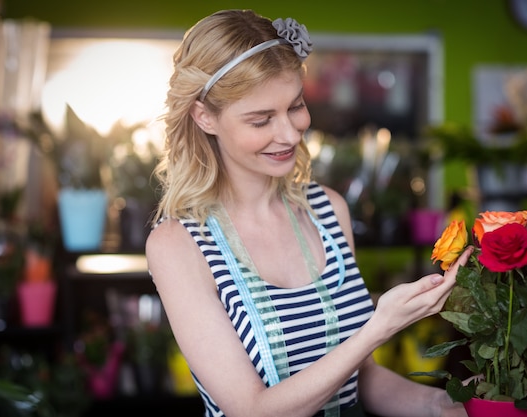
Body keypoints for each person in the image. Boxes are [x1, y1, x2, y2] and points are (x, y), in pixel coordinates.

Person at [146, 9, 473, 417]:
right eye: (261, 119)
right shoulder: (180, 244)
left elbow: (360, 379)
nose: (289, 133)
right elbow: (252, 410)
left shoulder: (327, 209)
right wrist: (378, 328)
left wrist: (448, 405)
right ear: (204, 117)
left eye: (295, 106)